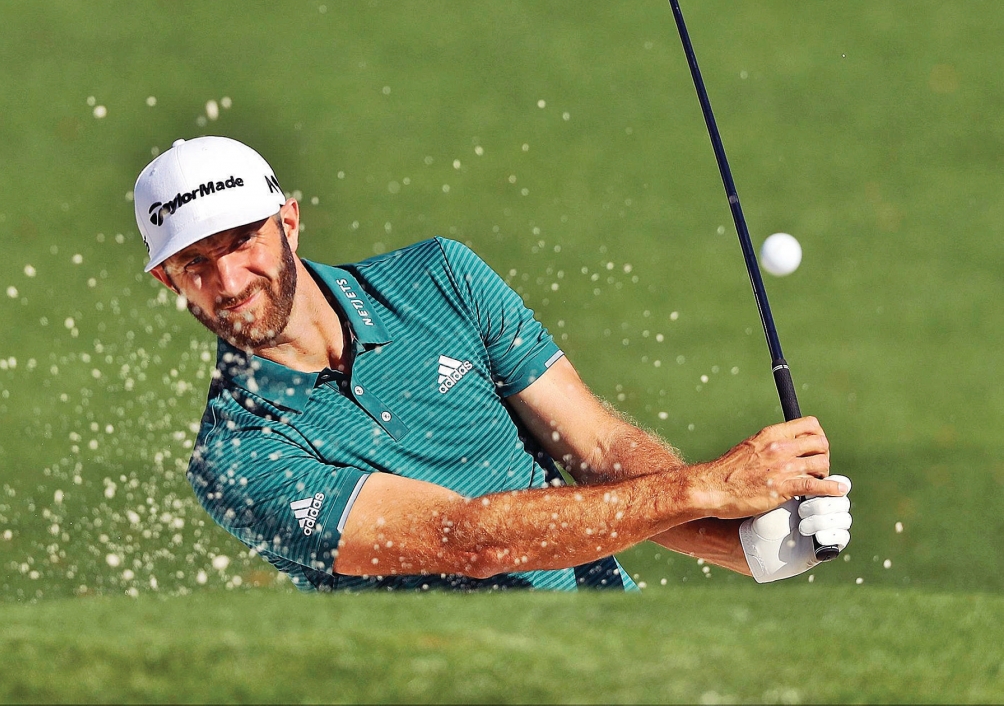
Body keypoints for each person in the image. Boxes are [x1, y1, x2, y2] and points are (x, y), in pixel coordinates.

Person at [134, 135, 852, 592]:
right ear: (167, 280)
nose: (228, 280)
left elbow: (600, 448)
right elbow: (467, 540)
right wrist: (709, 486)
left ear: (288, 220)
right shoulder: (236, 456)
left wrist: (745, 543)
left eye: (241, 241)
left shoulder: (438, 277)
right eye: (194, 262)